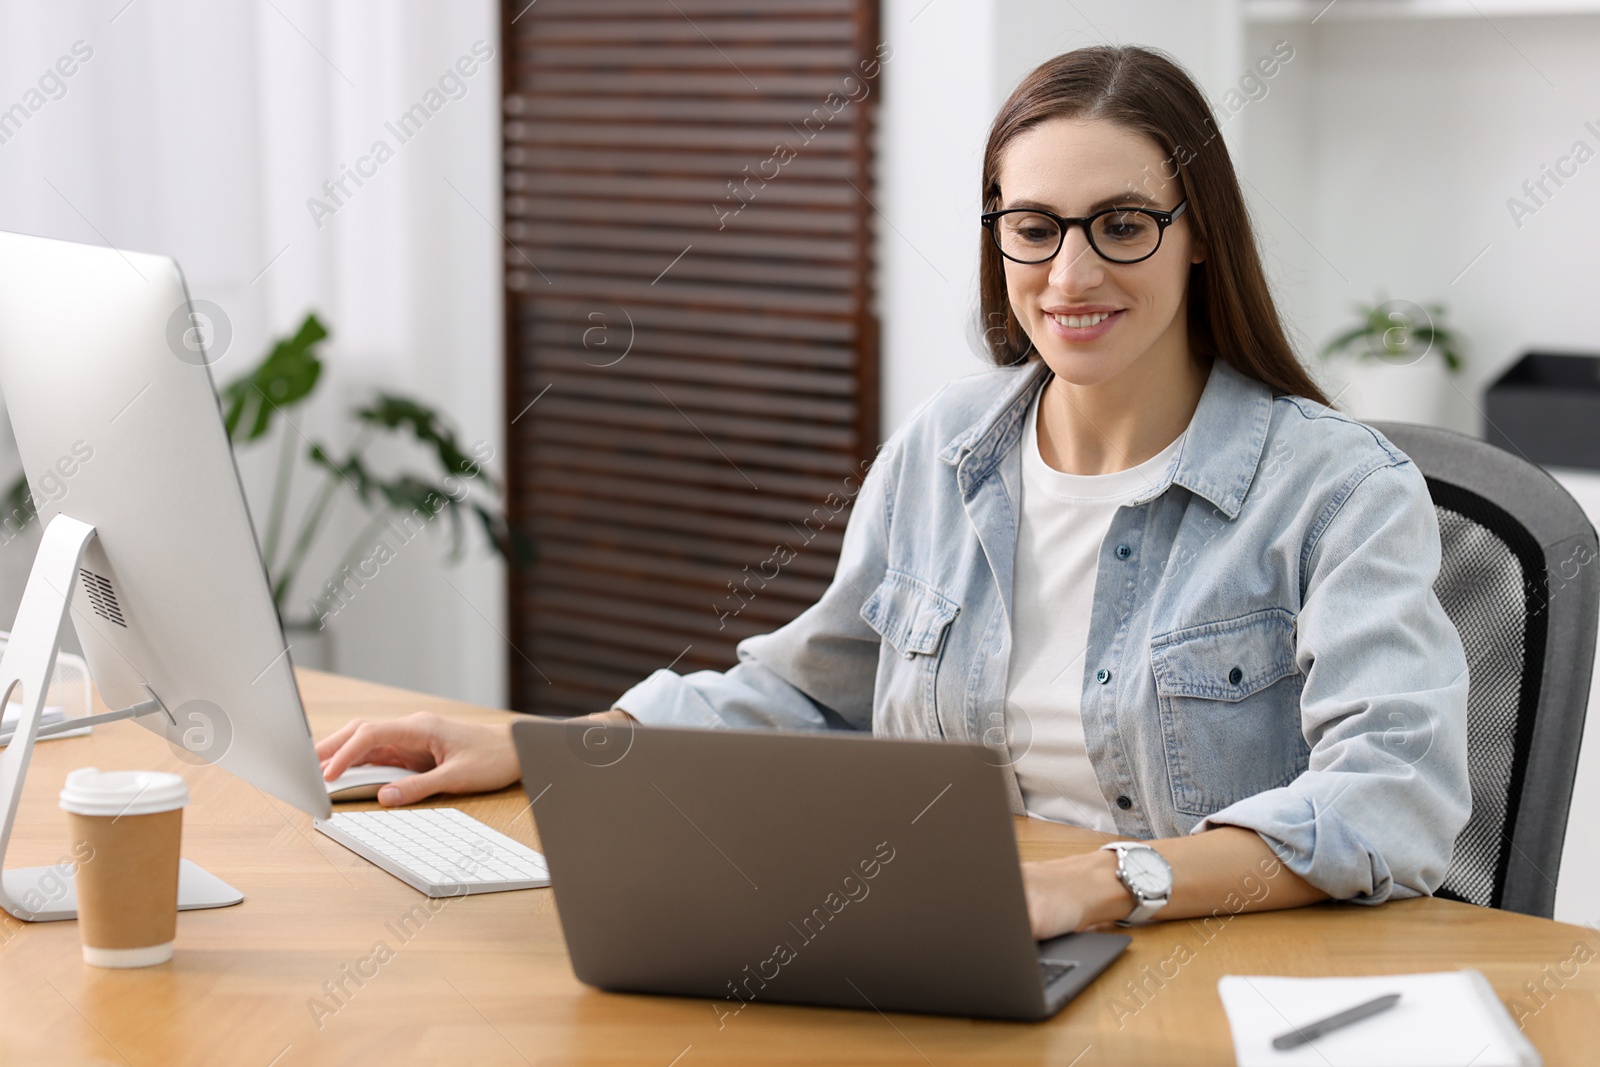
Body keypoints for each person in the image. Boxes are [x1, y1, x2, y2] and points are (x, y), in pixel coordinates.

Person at [317, 45, 1470, 942]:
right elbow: (810, 693)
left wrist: (1101, 883)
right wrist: (546, 743)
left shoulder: (1335, 492)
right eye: (1033, 228)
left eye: (1121, 225)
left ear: (1197, 236)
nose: (1070, 275)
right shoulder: (946, 448)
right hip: (969, 944)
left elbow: (1390, 801)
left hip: (1213, 969)